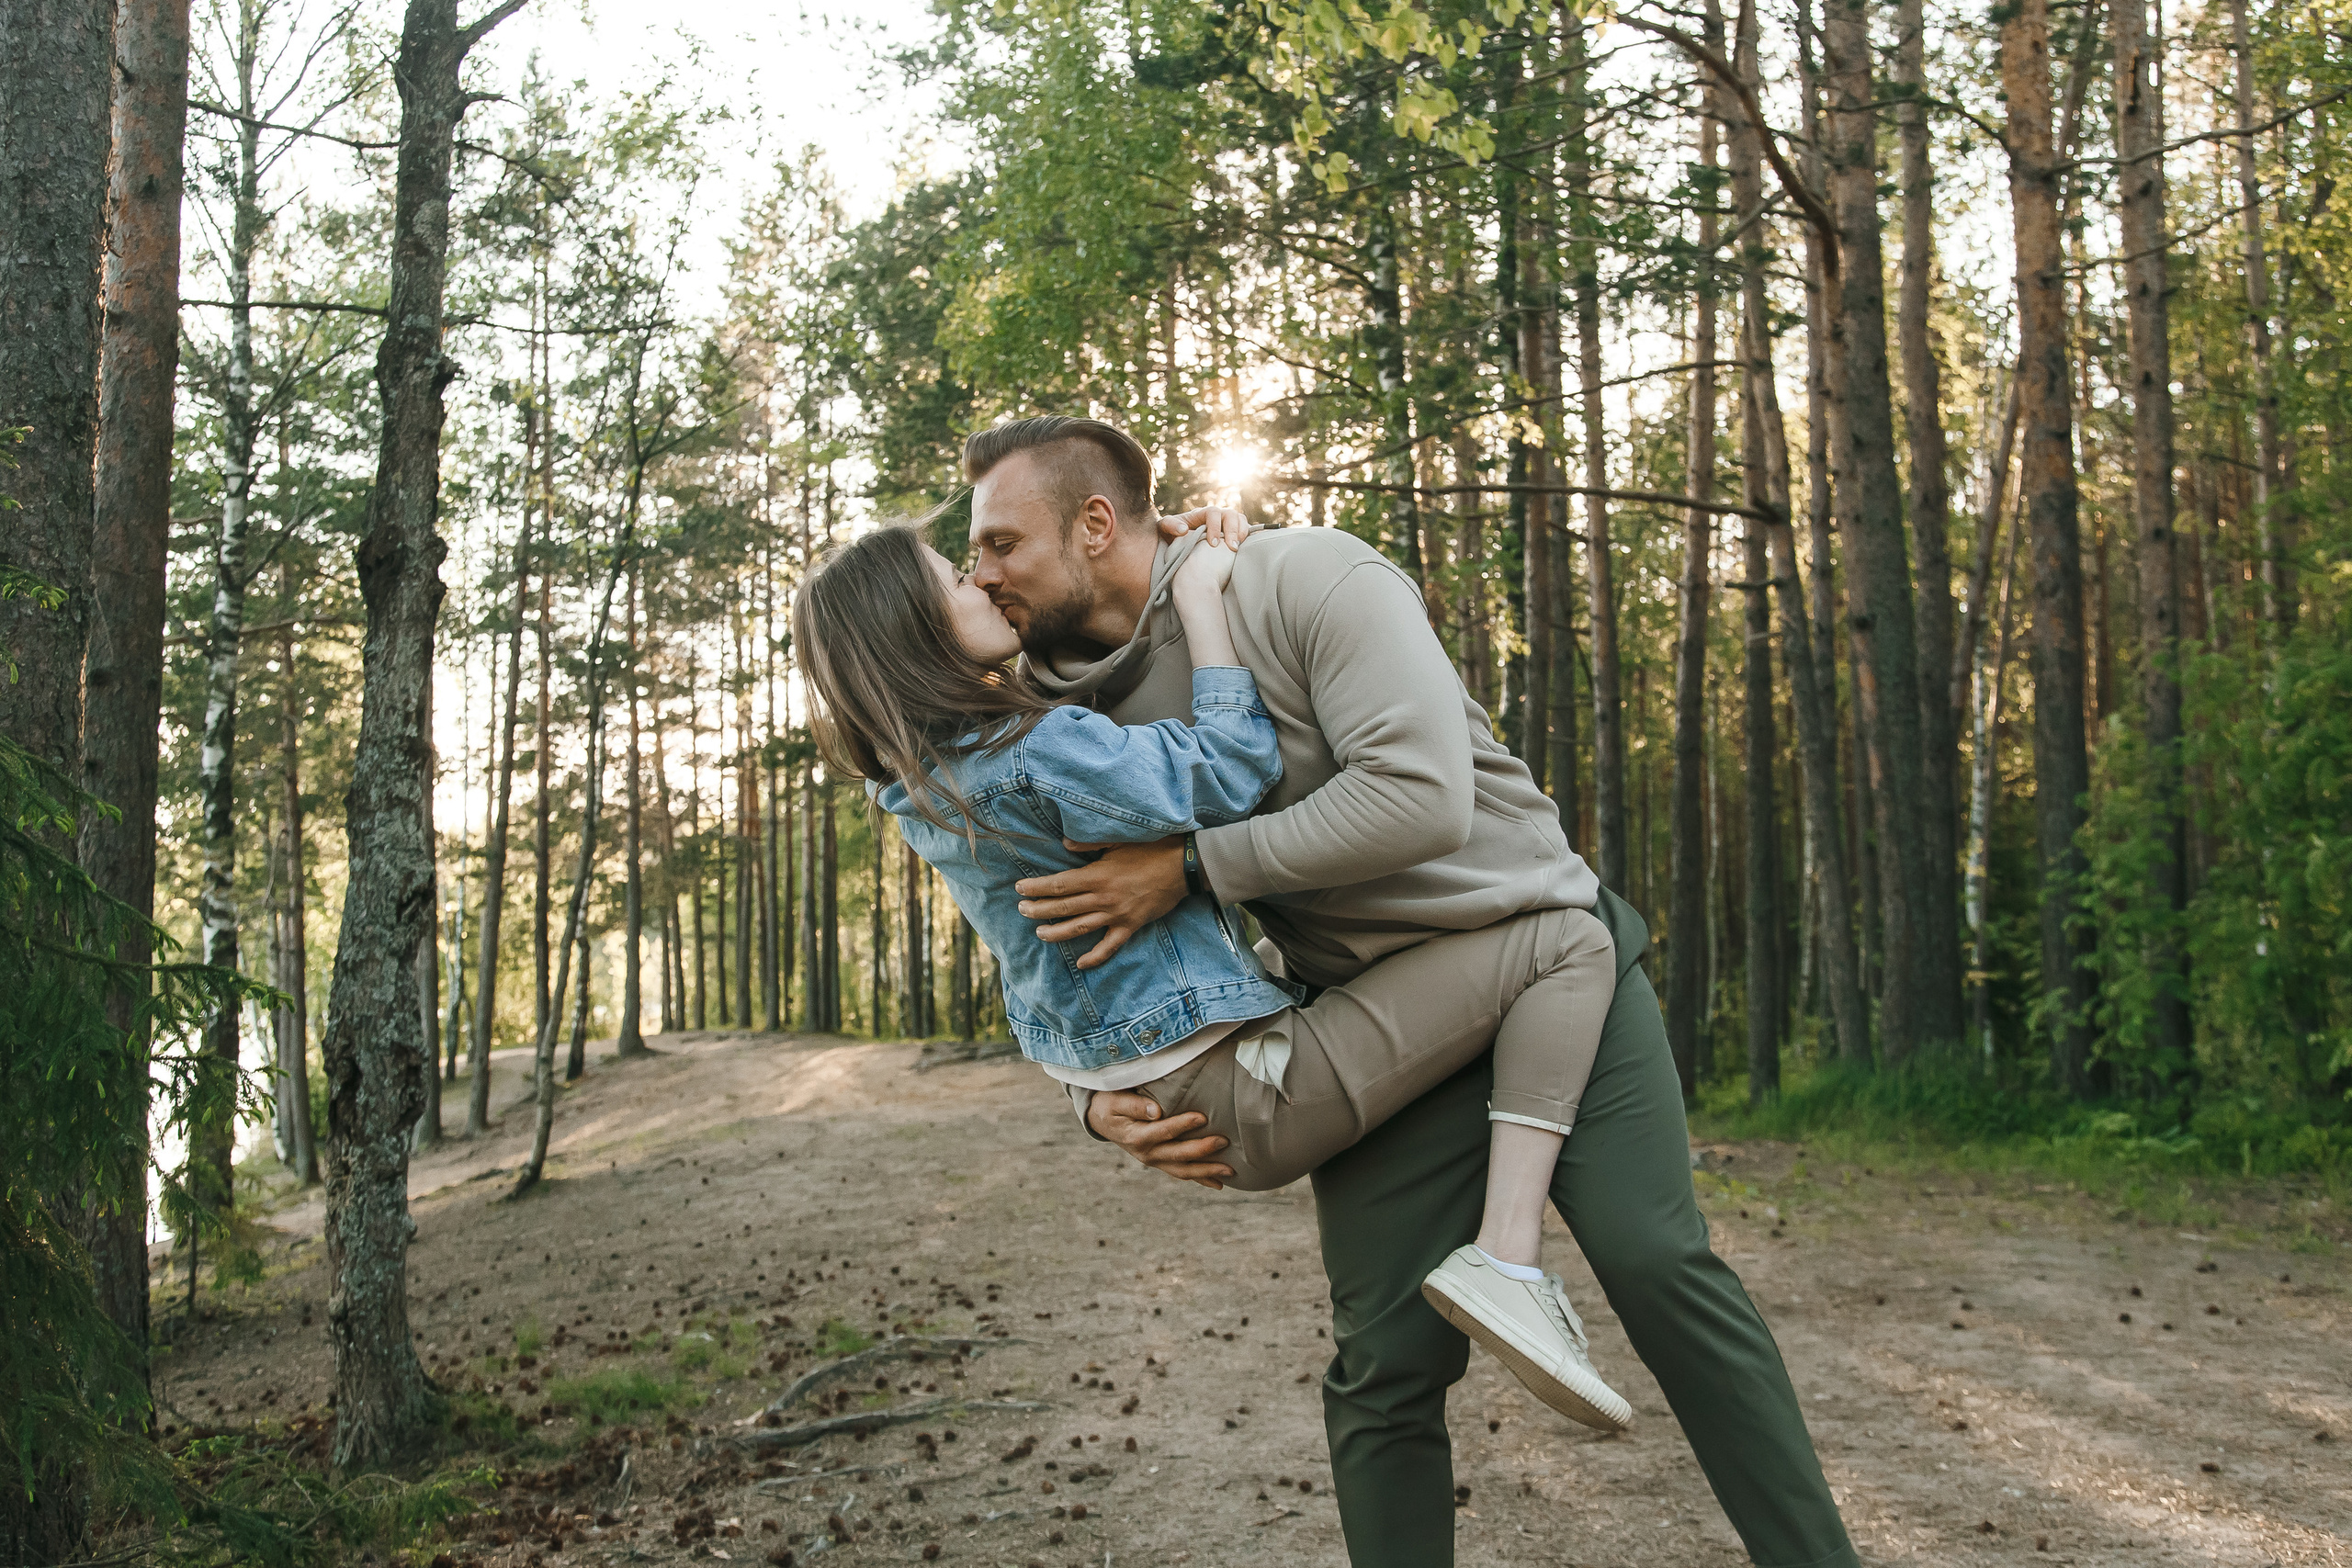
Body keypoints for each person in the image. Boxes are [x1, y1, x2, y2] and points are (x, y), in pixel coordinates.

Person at [960, 414, 1861, 1568]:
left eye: (998, 542)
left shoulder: (1307, 578)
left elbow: (1418, 799)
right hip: (1381, 1025)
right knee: (1384, 1363)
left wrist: (1191, 864)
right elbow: (1019, 917)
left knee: (1655, 1266)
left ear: (1094, 524)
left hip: (1547, 962)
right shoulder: (1045, 722)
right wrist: (1088, 1098)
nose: (979, 572)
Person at [793, 519, 1634, 1432]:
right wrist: (1200, 605)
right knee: (1569, 941)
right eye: (955, 581)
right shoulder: (1036, 754)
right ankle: (1507, 1261)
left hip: (1188, 1084)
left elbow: (1037, 966)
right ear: (917, 632)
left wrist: (1086, 1098)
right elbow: (1234, 768)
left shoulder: (925, 789)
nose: (982, 584)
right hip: (1239, 1091)